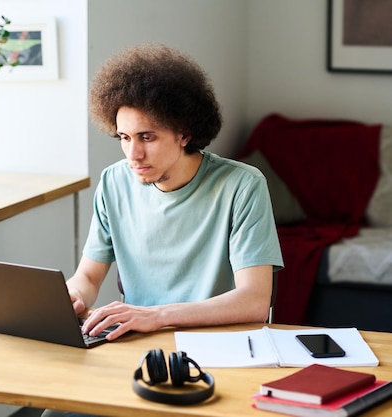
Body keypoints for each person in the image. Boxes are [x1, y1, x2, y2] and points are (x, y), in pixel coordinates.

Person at [41, 44, 283, 417]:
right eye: (124, 138)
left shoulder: (242, 185)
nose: (133, 154)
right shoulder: (113, 183)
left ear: (183, 133)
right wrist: (69, 298)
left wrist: (154, 315)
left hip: (216, 355)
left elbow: (253, 301)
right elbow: (88, 276)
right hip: (138, 348)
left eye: (147, 137)